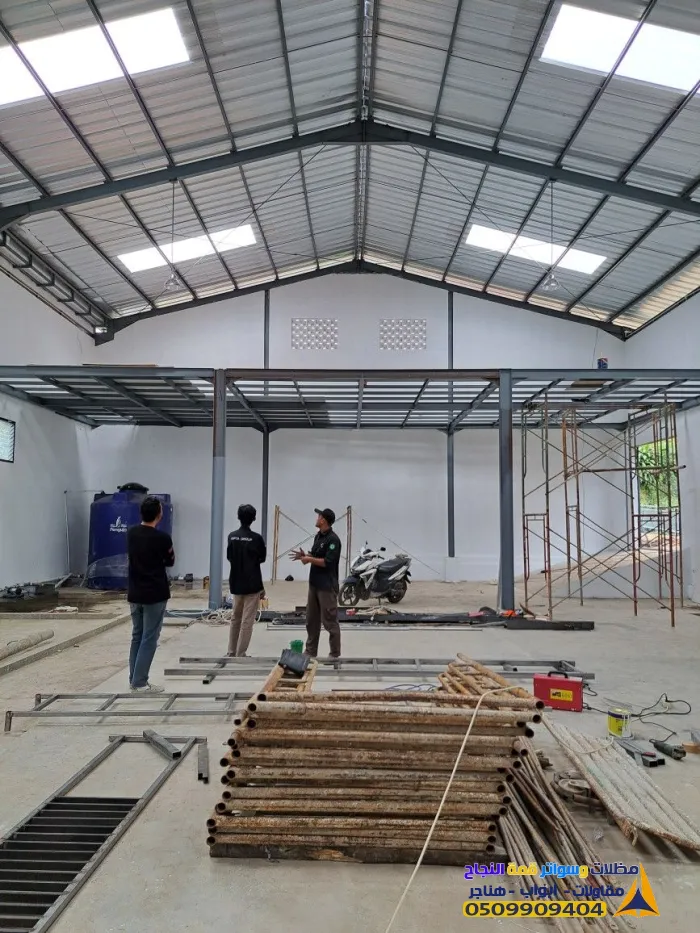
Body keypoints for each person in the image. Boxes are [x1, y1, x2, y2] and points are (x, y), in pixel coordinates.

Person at [127, 496, 174, 693]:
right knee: (149, 637)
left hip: (135, 592)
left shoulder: (131, 533)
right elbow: (170, 561)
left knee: (137, 635)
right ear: (159, 515)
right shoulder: (162, 538)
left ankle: (134, 678)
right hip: (154, 593)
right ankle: (140, 682)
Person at [292, 508, 341, 659]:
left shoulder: (333, 540)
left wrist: (309, 559)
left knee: (329, 622)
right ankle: (310, 651)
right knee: (311, 620)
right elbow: (315, 555)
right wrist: (305, 556)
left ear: (323, 520)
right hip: (314, 585)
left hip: (326, 586)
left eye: (319, 516)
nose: (317, 518)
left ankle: (334, 654)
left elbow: (327, 562)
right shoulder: (318, 537)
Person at [226, 504, 266, 657]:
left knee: (235, 618)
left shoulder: (231, 536)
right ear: (254, 518)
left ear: (238, 517)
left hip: (236, 582)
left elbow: (229, 557)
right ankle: (241, 653)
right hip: (252, 584)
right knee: (247, 620)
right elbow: (261, 558)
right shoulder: (257, 538)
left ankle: (231, 651)